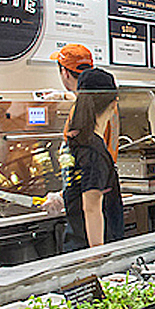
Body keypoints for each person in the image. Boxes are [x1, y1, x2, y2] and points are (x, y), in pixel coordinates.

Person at [59, 69, 125, 252]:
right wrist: (98, 255)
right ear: (114, 104)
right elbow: (92, 207)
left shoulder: (73, 140)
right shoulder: (94, 149)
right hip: (92, 247)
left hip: (75, 241)